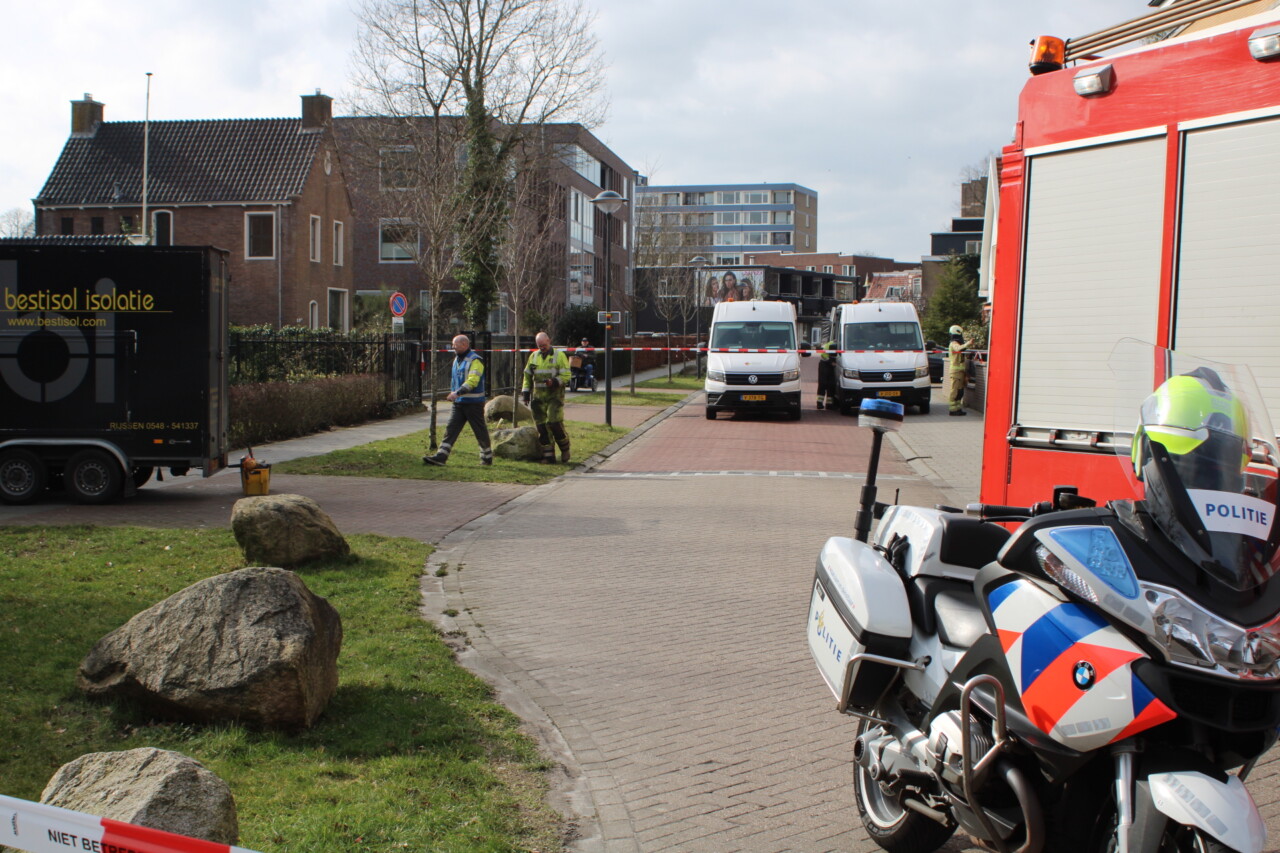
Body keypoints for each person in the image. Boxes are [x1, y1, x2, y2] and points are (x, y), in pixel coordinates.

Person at [423, 334, 494, 466]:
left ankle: (487, 457)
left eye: (455, 344)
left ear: (465, 345)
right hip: (459, 404)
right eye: (453, 344)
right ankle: (441, 456)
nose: (453, 347)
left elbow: (473, 381)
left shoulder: (475, 361)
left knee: (479, 431)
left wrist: (457, 393)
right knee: (451, 429)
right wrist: (455, 394)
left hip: (473, 404)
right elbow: (455, 380)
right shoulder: (457, 360)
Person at [522, 331, 573, 463]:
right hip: (538, 397)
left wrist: (555, 382)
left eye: (543, 345)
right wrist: (526, 392)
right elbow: (527, 376)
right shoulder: (533, 356)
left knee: (554, 422)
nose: (542, 348)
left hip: (554, 396)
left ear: (549, 341)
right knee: (541, 426)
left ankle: (565, 448)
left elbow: (566, 376)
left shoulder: (559, 355)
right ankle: (549, 456)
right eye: (539, 346)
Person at [947, 324, 971, 416]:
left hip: (960, 372)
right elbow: (959, 349)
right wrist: (968, 343)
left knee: (960, 391)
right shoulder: (953, 343)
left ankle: (957, 408)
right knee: (955, 391)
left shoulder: (957, 343)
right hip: (955, 372)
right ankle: (952, 409)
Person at [817, 336, 838, 410]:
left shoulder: (836, 343)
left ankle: (829, 404)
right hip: (825, 365)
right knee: (823, 384)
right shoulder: (831, 344)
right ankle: (819, 403)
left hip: (830, 365)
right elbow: (823, 355)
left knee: (831, 385)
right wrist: (831, 362)